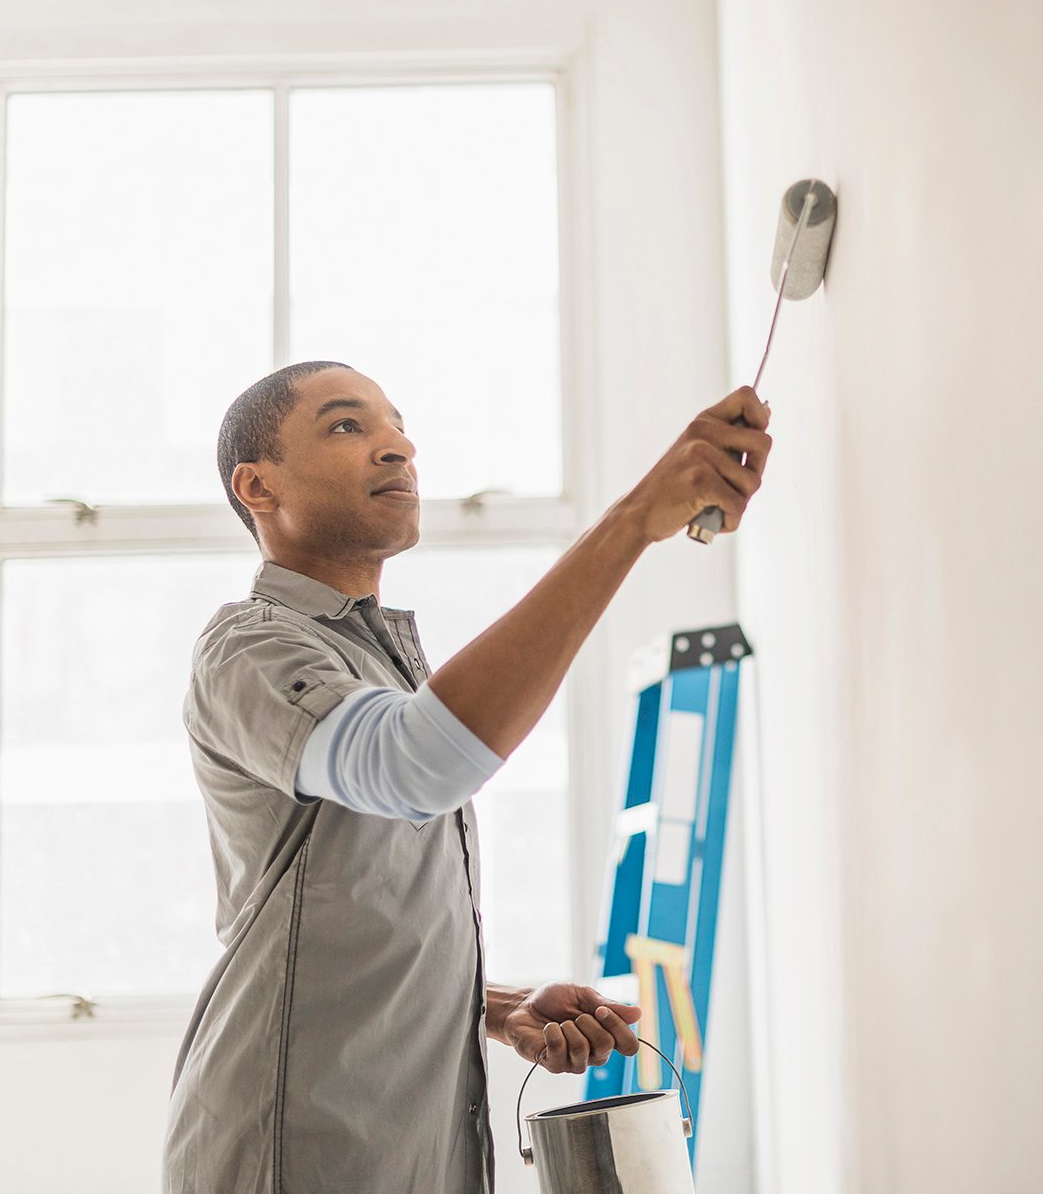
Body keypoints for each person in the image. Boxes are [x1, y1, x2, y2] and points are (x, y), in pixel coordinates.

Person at [162, 360, 772, 1194]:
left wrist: (497, 1007)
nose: (396, 446)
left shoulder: (375, 661)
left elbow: (352, 913)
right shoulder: (251, 649)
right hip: (294, 1150)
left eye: (396, 426)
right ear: (257, 485)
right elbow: (415, 764)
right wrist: (633, 522)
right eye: (347, 426)